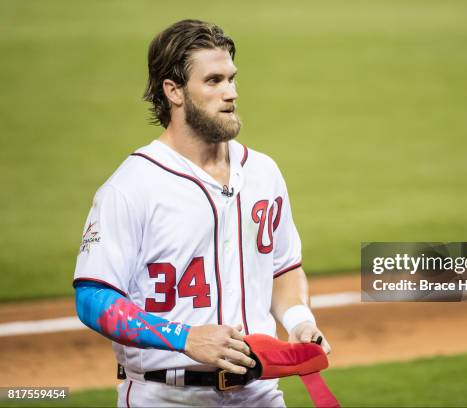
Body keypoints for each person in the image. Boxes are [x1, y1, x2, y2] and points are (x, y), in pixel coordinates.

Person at [73, 19, 330, 407]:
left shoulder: (263, 172)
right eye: (213, 81)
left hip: (259, 394)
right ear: (173, 91)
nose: (231, 93)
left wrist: (298, 321)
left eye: (231, 78)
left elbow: (282, 268)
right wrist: (185, 338)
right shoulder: (131, 187)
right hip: (167, 397)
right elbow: (92, 298)